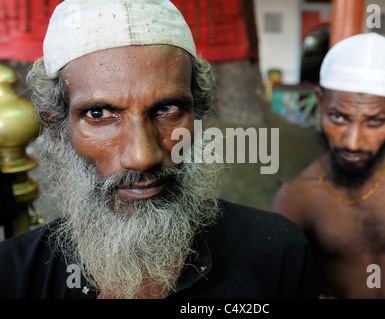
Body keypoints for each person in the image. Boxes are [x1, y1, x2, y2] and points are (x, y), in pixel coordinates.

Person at [0, 0, 316, 299]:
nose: (143, 156)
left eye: (167, 109)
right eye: (99, 114)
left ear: (199, 114)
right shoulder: (13, 276)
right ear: (57, 128)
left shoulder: (277, 254)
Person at [272, 33, 385, 299]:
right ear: (321, 102)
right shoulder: (297, 197)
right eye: (338, 117)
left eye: (375, 121)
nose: (353, 143)